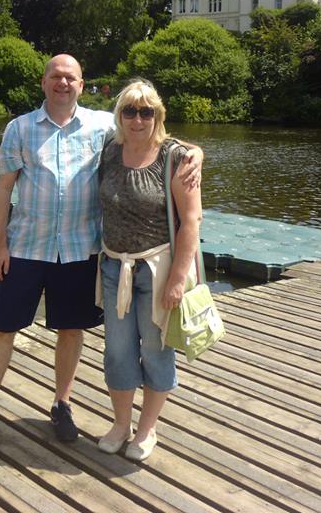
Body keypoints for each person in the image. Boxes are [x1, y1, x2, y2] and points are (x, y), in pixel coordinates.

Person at [0, 55, 202, 445]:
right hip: (25, 246)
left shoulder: (103, 127)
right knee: (1, 328)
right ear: (44, 82)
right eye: (56, 76)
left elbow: (153, 137)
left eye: (71, 77)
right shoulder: (19, 128)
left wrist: (196, 151)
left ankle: (62, 404)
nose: (63, 83)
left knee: (70, 330)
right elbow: (3, 189)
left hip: (78, 251)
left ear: (82, 85)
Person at [95, 79, 203, 461]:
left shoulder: (175, 157)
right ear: (119, 115)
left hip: (157, 270)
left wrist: (177, 280)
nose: (137, 119)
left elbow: (192, 221)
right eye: (130, 111)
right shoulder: (110, 149)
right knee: (117, 352)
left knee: (156, 351)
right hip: (114, 267)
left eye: (146, 112)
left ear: (157, 115)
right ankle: (121, 424)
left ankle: (147, 428)